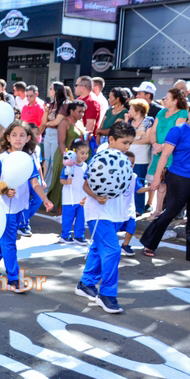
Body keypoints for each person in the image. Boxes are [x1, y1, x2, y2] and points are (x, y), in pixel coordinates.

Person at [141, 101, 190, 265]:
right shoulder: (178, 130)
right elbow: (164, 155)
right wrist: (156, 178)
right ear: (189, 114)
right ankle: (149, 243)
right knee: (171, 212)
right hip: (180, 177)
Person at [75, 122, 136, 314]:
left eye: (130, 143)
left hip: (114, 213)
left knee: (97, 248)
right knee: (112, 250)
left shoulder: (124, 159)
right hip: (98, 213)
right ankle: (107, 294)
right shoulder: (100, 158)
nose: (127, 147)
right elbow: (86, 186)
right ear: (111, 140)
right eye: (124, 142)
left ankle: (86, 283)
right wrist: (95, 196)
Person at [0, 121, 53, 292]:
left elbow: (35, 182)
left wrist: (44, 199)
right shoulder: (2, 158)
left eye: (22, 135)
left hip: (18, 207)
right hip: (3, 207)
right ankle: (14, 279)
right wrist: (3, 189)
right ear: (8, 138)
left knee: (3, 241)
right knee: (9, 242)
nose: (18, 138)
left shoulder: (28, 159)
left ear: (28, 138)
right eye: (14, 135)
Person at [146, 87, 188, 218]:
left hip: (173, 152)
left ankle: (173, 211)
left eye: (167, 98)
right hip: (158, 150)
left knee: (172, 182)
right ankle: (158, 208)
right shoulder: (161, 112)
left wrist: (164, 146)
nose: (164, 100)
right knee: (160, 181)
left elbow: (177, 132)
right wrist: (155, 144)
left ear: (175, 101)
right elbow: (153, 131)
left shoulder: (182, 113)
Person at [47, 99, 87, 212]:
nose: (81, 114)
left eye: (83, 112)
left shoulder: (80, 122)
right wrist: (67, 158)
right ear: (71, 110)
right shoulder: (64, 122)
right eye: (79, 111)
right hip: (64, 157)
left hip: (78, 159)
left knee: (75, 184)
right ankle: (60, 213)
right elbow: (61, 142)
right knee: (63, 183)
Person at [40, 82, 72, 187]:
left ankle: (54, 186)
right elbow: (44, 122)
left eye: (51, 88)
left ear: (57, 90)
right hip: (48, 133)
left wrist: (49, 123)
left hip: (56, 133)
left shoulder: (65, 103)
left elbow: (56, 122)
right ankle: (46, 185)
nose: (49, 90)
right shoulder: (51, 104)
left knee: (54, 161)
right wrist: (46, 112)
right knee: (47, 161)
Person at [126, 98, 154, 215]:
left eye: (131, 108)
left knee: (139, 181)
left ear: (138, 110)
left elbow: (148, 139)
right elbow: (124, 135)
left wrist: (132, 141)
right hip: (129, 156)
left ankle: (139, 208)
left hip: (141, 156)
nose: (129, 110)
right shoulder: (129, 122)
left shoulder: (148, 121)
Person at [58, 143, 89, 244]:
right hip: (69, 197)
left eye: (86, 153)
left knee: (81, 218)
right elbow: (62, 179)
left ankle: (79, 236)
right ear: (75, 153)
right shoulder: (69, 166)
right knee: (68, 218)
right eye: (82, 153)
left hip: (82, 197)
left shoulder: (86, 166)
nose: (84, 155)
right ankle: (65, 235)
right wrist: (67, 182)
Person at [120, 150, 148, 255]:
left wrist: (150, 188)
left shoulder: (134, 176)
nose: (130, 165)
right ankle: (109, 245)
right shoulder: (115, 175)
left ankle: (125, 245)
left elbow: (138, 189)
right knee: (113, 229)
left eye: (132, 163)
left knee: (131, 227)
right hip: (117, 208)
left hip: (129, 208)